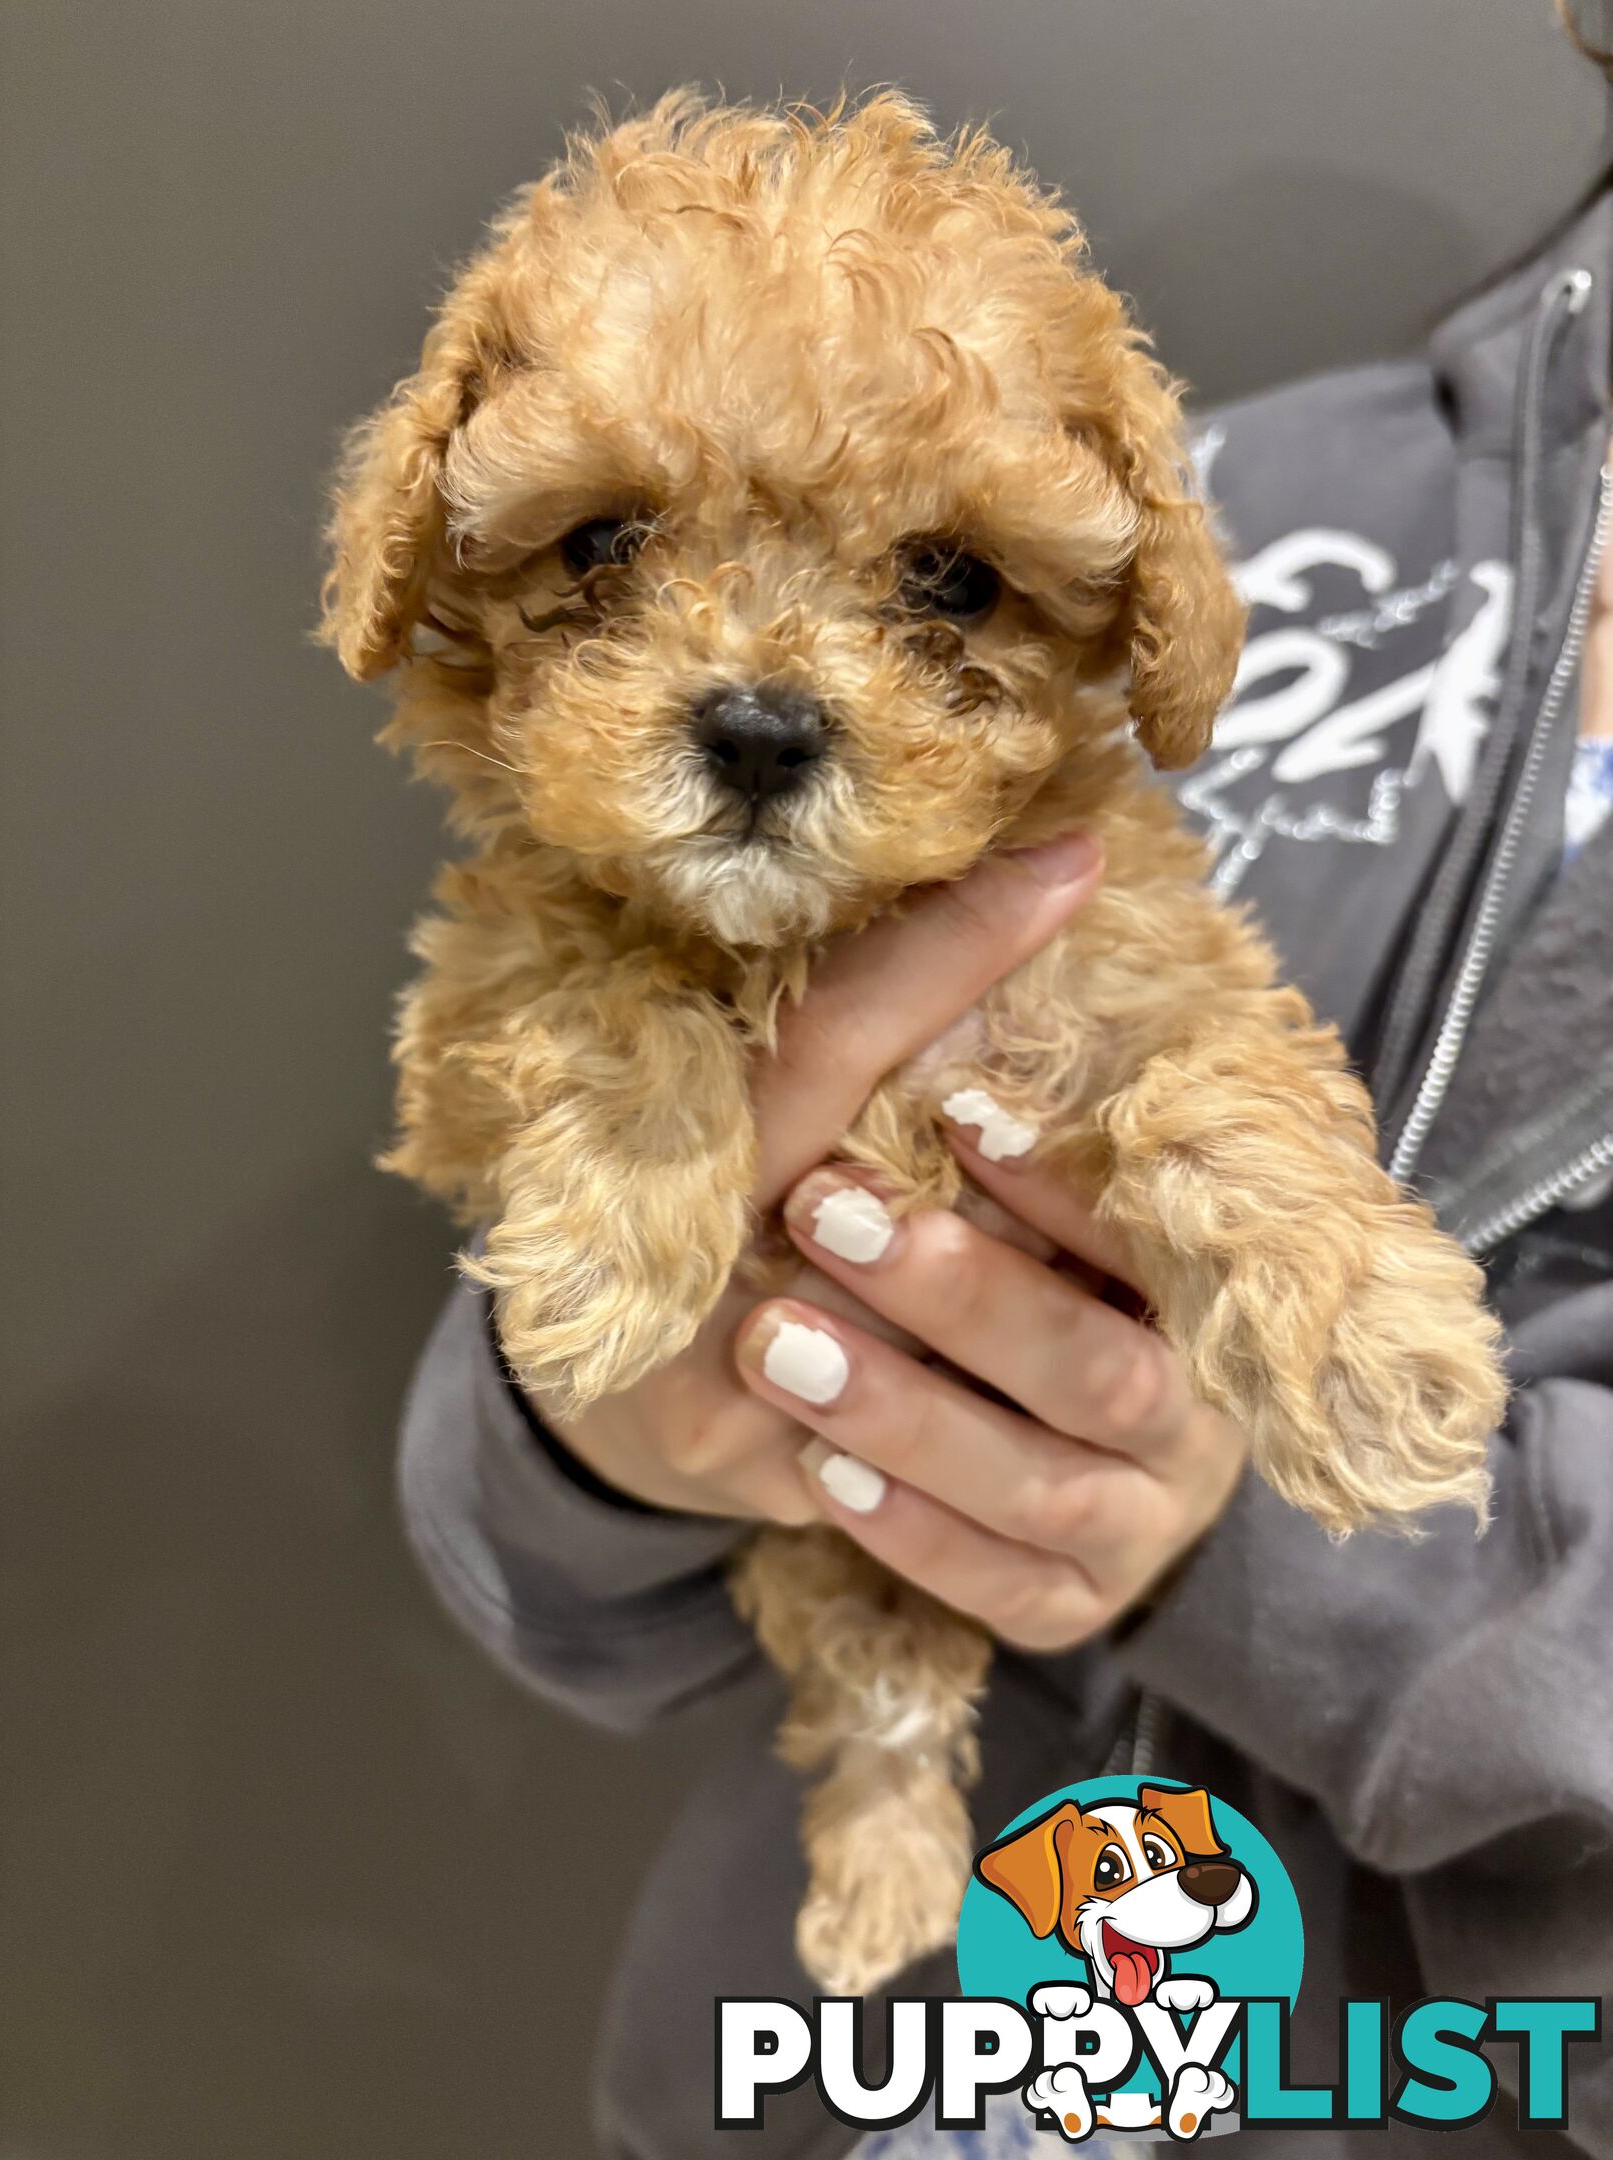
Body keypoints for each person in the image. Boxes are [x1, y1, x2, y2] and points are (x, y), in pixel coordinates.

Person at [394, 8, 1613, 2152]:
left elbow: (1202, 1074)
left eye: (941, 583)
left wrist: (1263, 1543)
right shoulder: (1284, 490)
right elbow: (540, 1526)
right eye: (607, 549)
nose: (772, 679)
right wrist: (589, 1434)